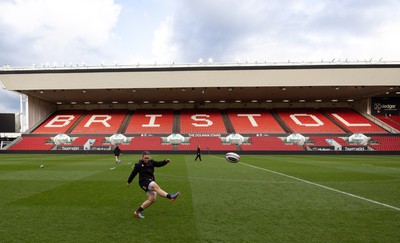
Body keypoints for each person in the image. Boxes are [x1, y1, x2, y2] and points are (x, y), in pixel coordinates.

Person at [127, 151, 180, 219]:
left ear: (150, 157)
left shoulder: (151, 162)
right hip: (143, 181)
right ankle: (170, 196)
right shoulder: (139, 165)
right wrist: (129, 181)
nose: (146, 159)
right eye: (145, 158)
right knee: (155, 186)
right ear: (142, 157)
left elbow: (159, 164)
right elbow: (133, 173)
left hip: (150, 180)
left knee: (152, 199)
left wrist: (165, 161)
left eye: (147, 158)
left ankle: (137, 212)